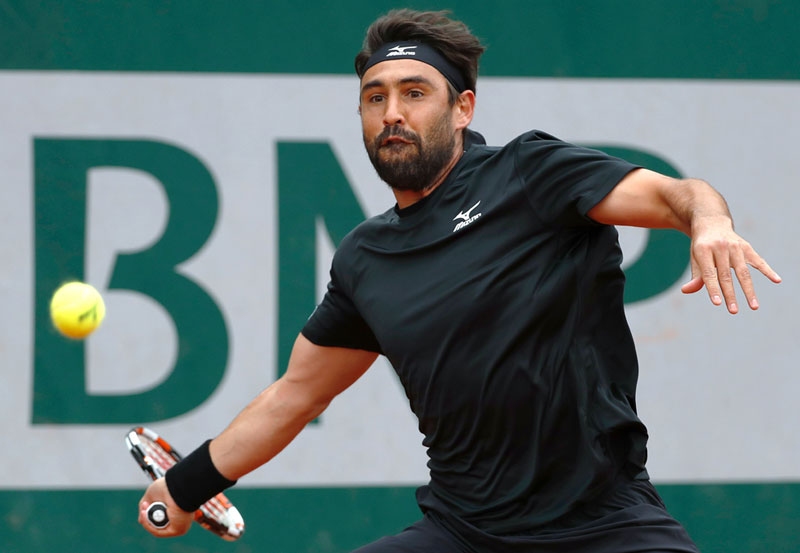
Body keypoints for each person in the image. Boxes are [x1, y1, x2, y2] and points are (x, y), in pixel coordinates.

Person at [138, 9, 781, 552]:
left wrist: (709, 224)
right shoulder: (365, 259)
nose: (392, 113)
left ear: (462, 107)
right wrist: (185, 488)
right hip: (464, 533)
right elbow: (295, 396)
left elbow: (675, 195)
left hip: (605, 526)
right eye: (375, 97)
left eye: (415, 93)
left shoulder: (530, 174)